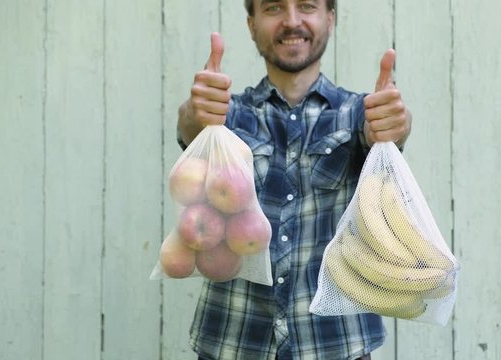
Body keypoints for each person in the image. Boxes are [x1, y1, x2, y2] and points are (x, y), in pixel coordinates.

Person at [176, 0, 412, 359]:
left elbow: (385, 135)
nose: (291, 21)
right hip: (233, 342)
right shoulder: (225, 116)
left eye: (307, 6)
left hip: (337, 345)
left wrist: (395, 126)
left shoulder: (359, 114)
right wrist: (194, 115)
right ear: (251, 24)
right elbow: (191, 128)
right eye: (273, 8)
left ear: (330, 19)